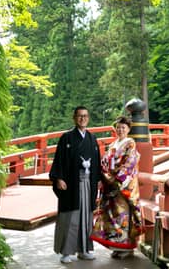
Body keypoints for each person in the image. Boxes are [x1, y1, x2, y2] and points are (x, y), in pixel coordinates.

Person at [49, 106, 101, 264]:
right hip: (71, 184)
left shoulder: (92, 139)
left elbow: (97, 163)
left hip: (88, 183)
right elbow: (58, 160)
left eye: (85, 116)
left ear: (88, 118)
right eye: (79, 116)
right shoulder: (66, 138)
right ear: (74, 118)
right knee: (70, 217)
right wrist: (58, 178)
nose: (82, 119)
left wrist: (98, 179)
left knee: (86, 217)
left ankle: (84, 250)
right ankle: (66, 252)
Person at [90, 115, 144, 259]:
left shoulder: (130, 143)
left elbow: (129, 163)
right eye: (118, 127)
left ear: (128, 129)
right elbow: (104, 163)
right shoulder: (113, 145)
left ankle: (127, 247)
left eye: (123, 128)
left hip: (122, 185)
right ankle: (117, 246)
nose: (120, 130)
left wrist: (116, 178)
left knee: (123, 215)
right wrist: (104, 176)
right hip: (110, 185)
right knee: (112, 216)